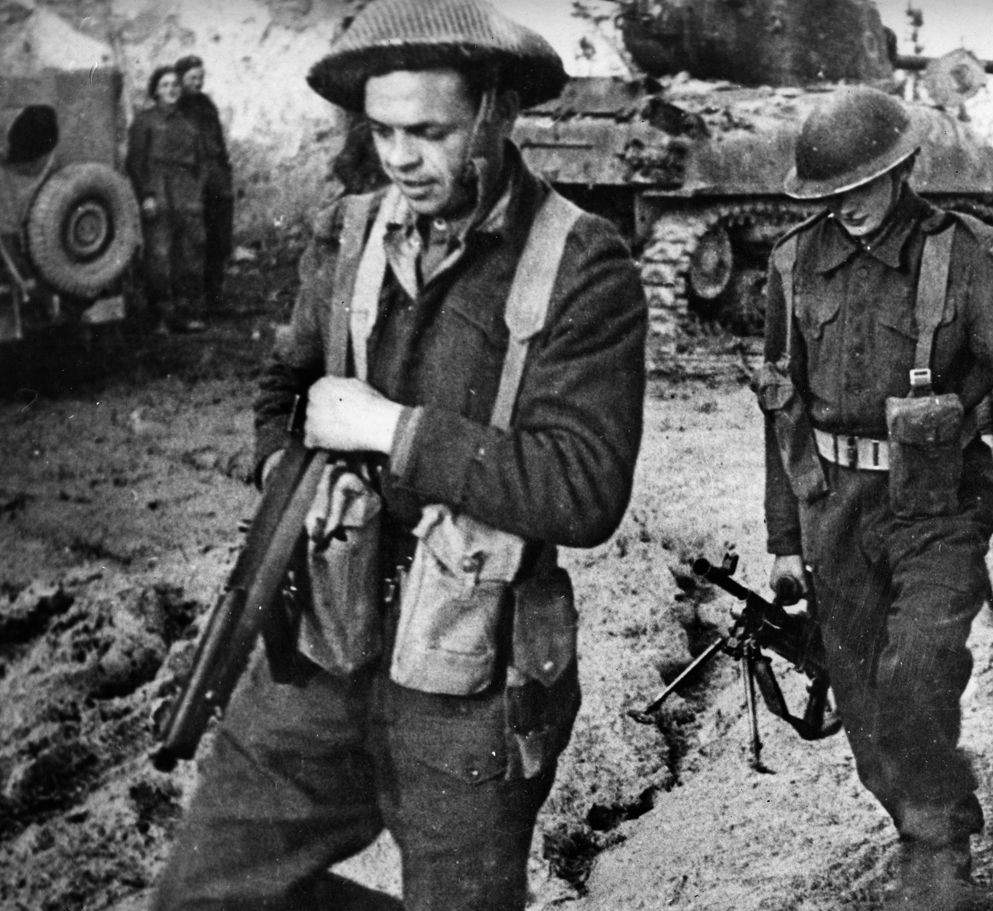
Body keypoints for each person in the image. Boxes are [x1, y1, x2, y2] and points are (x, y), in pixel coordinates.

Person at [149, 1, 647, 909]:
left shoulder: (582, 263)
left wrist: (388, 430)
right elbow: (284, 388)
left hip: (471, 672)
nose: (401, 158)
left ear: (495, 116)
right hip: (321, 645)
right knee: (204, 894)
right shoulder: (347, 233)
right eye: (383, 131)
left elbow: (584, 487)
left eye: (430, 132)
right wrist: (289, 475)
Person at [760, 85, 993, 909]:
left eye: (862, 187)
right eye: (829, 195)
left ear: (904, 168)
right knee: (865, 701)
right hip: (831, 505)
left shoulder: (968, 256)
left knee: (915, 670)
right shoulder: (791, 262)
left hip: (936, 508)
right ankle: (926, 806)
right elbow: (780, 404)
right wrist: (783, 536)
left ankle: (937, 844)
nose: (847, 208)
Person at [125, 65, 206, 333]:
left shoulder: (188, 122)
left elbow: (200, 160)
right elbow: (135, 162)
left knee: (188, 254)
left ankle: (184, 313)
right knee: (159, 255)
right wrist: (146, 195)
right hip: (157, 190)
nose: (171, 90)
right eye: (165, 85)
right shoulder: (145, 121)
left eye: (175, 85)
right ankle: (161, 315)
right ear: (155, 91)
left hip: (187, 192)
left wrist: (197, 190)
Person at [174, 55, 233, 311]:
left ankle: (215, 298)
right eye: (191, 79)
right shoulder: (176, 108)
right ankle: (192, 302)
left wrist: (224, 173)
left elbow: (218, 141)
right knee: (195, 242)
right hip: (193, 182)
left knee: (219, 240)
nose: (197, 83)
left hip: (217, 179)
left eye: (200, 78)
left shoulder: (207, 104)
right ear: (180, 80)